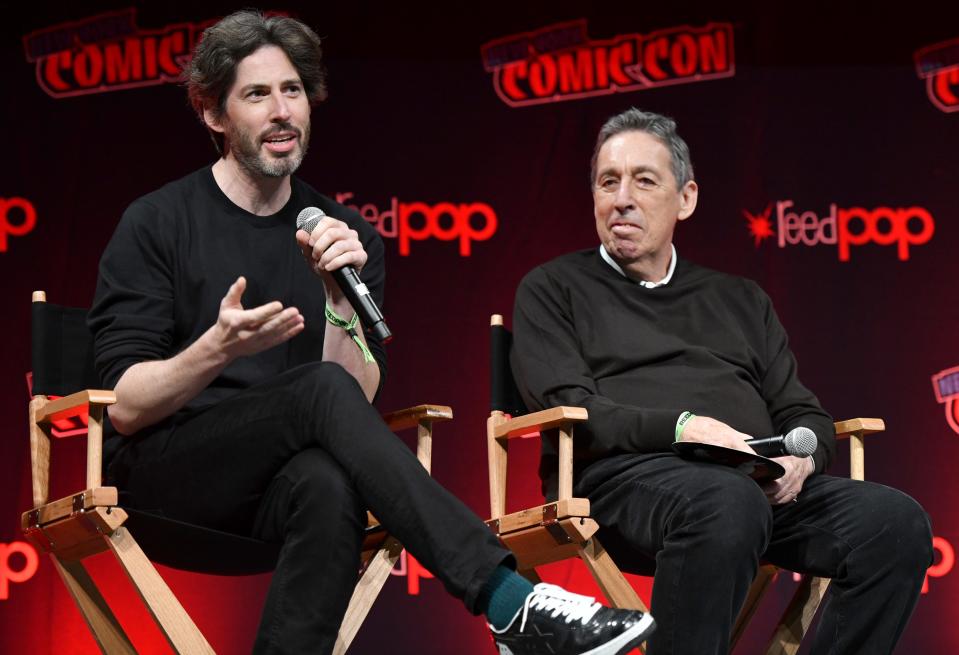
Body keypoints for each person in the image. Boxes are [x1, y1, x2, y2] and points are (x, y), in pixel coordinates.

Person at [86, 11, 655, 655]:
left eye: (293, 90)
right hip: (163, 481)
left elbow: (349, 399)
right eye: (257, 94)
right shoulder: (158, 222)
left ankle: (508, 608)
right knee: (319, 399)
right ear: (214, 114)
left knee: (329, 487)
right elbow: (126, 408)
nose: (282, 111)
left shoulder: (343, 236)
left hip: (274, 486)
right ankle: (508, 599)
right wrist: (216, 347)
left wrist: (336, 299)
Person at [510, 107, 933, 655]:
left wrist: (804, 459)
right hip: (619, 484)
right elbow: (570, 405)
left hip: (754, 486)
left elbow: (802, 412)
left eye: (643, 180)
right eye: (607, 182)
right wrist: (684, 428)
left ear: (685, 198)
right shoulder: (552, 288)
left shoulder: (740, 299)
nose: (621, 198)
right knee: (725, 502)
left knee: (894, 524)